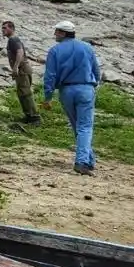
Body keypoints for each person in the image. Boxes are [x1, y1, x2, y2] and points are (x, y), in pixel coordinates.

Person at [41, 20, 102, 176]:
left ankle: (87, 161)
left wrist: (48, 96)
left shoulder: (55, 51)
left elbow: (50, 76)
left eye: (56, 31)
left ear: (63, 33)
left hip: (66, 90)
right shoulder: (87, 48)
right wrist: (94, 84)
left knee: (78, 126)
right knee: (85, 127)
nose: (54, 34)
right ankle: (83, 161)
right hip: (86, 88)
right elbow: (96, 70)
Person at [1, 21, 41, 126]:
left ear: (11, 28)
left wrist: (15, 68)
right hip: (22, 69)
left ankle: (34, 118)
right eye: (2, 28)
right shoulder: (11, 40)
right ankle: (28, 115)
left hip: (22, 69)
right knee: (22, 93)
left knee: (25, 93)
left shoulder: (13, 40)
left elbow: (20, 52)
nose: (3, 30)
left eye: (5, 28)